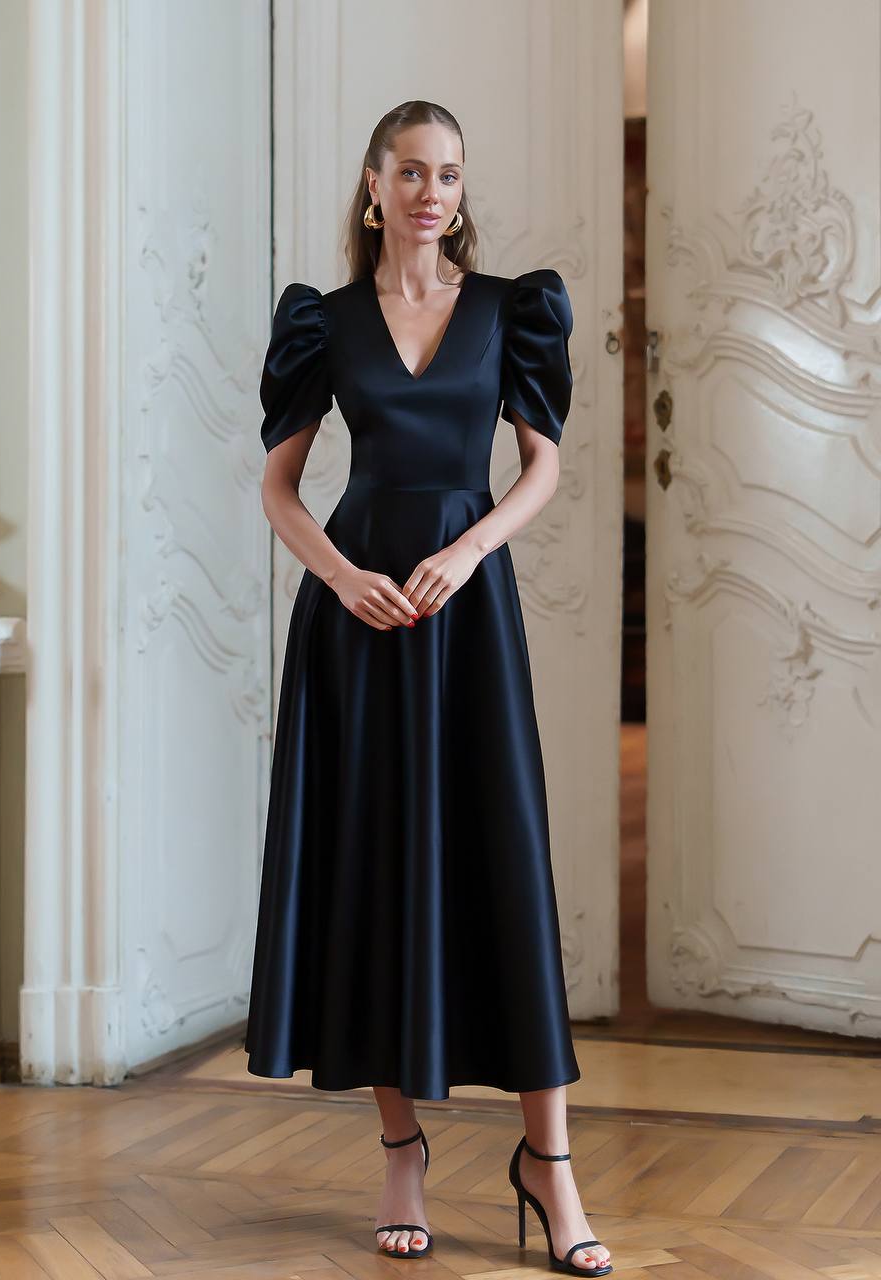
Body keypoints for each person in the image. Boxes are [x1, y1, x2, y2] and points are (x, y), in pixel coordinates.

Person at [244, 99, 612, 1275]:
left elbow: (542, 465)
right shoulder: (326, 323)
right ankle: (400, 1147)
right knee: (379, 864)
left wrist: (470, 548)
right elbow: (282, 490)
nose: (431, 192)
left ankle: (548, 1165)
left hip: (467, 619)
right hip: (360, 626)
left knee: (500, 854)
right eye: (411, 171)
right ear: (373, 184)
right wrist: (346, 576)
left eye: (448, 174)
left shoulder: (508, 309)